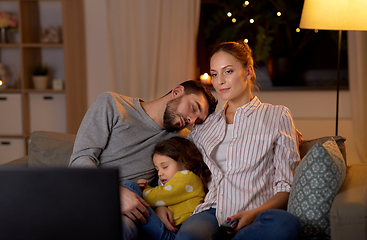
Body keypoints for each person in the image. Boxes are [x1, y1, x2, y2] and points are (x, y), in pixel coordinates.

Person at [172, 41, 302, 240]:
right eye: (214, 74)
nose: (220, 81)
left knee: (286, 225)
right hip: (212, 212)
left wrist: (253, 214)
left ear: (248, 72)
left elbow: (286, 186)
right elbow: (182, 171)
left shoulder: (277, 116)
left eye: (228, 71)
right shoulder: (204, 126)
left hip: (258, 213)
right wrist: (163, 205)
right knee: (188, 237)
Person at [69, 80, 217, 240]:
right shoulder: (112, 104)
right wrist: (115, 193)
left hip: (133, 212)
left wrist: (159, 206)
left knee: (124, 228)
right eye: (194, 108)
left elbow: (171, 181)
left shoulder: (179, 141)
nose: (192, 120)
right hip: (92, 197)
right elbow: (81, 159)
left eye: (198, 120)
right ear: (177, 91)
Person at [130, 136, 211, 238]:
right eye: (157, 169)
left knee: (130, 186)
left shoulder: (187, 177)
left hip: (176, 232)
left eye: (165, 167)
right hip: (171, 229)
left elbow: (154, 197)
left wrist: (143, 189)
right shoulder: (172, 182)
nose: (160, 173)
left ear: (185, 162)